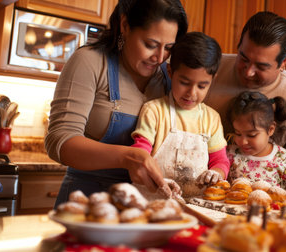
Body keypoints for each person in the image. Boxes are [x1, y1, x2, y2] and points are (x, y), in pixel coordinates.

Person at [45, 0, 188, 208]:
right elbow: (59, 140)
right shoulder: (90, 62)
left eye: (169, 48)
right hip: (86, 204)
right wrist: (127, 157)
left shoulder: (170, 79)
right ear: (125, 26)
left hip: (146, 208)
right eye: (150, 44)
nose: (159, 58)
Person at [205, 11, 286, 187]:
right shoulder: (210, 69)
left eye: (262, 66)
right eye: (243, 58)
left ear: (283, 62)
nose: (248, 72)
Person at [131, 32, 229, 197]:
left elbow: (220, 161)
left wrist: (216, 174)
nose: (191, 93)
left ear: (212, 80)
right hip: (153, 199)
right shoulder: (154, 111)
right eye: (184, 82)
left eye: (202, 86)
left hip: (196, 205)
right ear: (170, 72)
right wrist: (156, 179)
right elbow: (140, 155)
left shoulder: (212, 119)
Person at [227, 91, 286, 190]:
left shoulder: (285, 159)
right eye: (238, 133)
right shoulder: (230, 154)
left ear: (270, 129)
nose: (243, 142)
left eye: (251, 135)